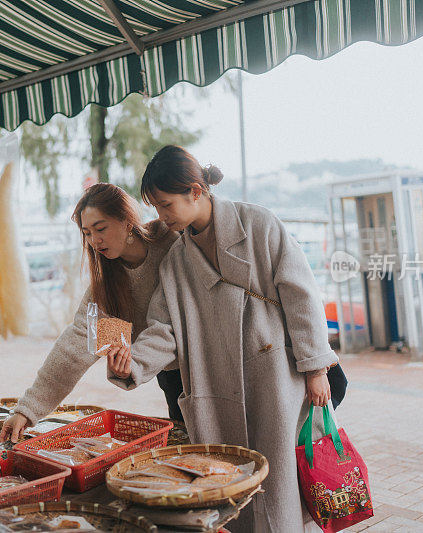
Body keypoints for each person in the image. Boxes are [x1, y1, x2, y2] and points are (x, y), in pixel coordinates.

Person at [105, 145, 339, 532]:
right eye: (156, 208)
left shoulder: (258, 224)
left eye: (165, 205)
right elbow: (164, 327)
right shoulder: (160, 264)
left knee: (279, 483)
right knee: (231, 488)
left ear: (196, 191)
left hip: (275, 378)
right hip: (215, 382)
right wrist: (134, 361)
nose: (161, 218)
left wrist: (315, 367)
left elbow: (301, 295)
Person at [0, 183, 183, 443]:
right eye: (86, 233)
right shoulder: (108, 282)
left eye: (101, 229)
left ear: (127, 221)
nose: (94, 241)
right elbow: (74, 347)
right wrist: (27, 411)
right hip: (172, 374)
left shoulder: (171, 239)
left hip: (210, 362)